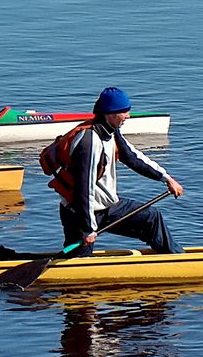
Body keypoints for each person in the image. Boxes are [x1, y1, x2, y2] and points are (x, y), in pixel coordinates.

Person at [40, 86, 184, 257]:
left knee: (151, 218)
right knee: (79, 261)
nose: (128, 116)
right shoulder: (89, 142)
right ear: (110, 113)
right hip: (80, 212)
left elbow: (133, 158)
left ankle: (177, 259)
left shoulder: (111, 132)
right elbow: (83, 188)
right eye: (124, 112)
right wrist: (88, 228)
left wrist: (166, 178)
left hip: (106, 208)